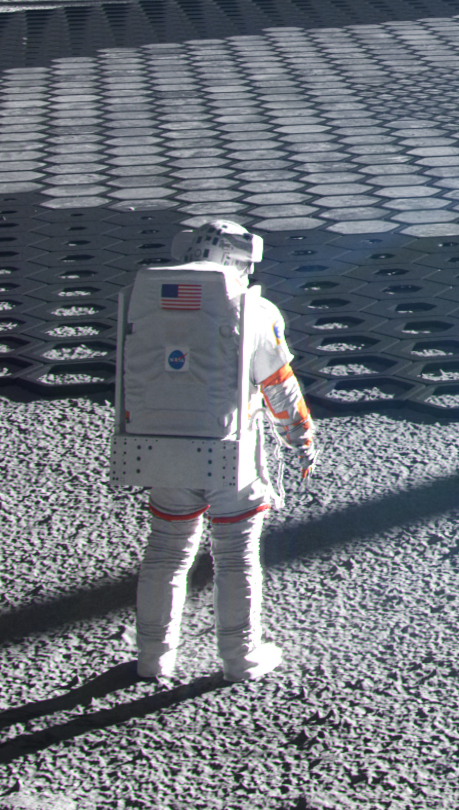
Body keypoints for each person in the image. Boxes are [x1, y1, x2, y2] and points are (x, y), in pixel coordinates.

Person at [112, 219, 318, 684]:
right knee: (236, 557)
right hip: (232, 454)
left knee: (164, 553)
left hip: (161, 448)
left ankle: (153, 656)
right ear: (233, 260)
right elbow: (280, 391)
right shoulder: (254, 310)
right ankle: (241, 658)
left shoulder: (147, 301)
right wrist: (301, 440)